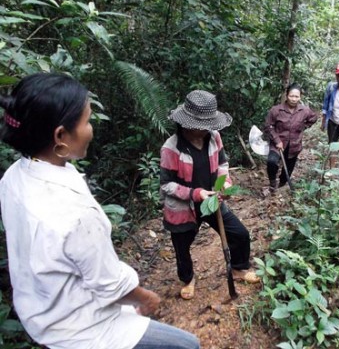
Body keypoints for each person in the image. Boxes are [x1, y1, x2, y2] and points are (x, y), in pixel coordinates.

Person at [0, 73, 199, 349]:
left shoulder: (13, 177)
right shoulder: (75, 213)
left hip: (42, 316)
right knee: (188, 346)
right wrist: (145, 298)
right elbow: (109, 284)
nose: (92, 129)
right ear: (60, 135)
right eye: (87, 121)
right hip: (88, 328)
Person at [160, 90, 260, 301]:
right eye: (202, 125)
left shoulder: (214, 137)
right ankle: (188, 279)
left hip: (213, 201)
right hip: (183, 208)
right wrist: (195, 194)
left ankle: (239, 268)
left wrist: (225, 183)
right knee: (181, 248)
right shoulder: (171, 148)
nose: (207, 129)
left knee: (239, 234)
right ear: (188, 123)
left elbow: (222, 164)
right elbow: (166, 185)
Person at [264, 83, 317, 192]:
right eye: (291, 96)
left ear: (300, 97)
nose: (293, 99)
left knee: (289, 166)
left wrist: (303, 126)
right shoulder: (276, 110)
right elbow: (268, 126)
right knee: (272, 162)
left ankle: (282, 183)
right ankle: (272, 183)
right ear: (287, 95)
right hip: (278, 144)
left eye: (296, 96)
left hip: (294, 144)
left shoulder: (304, 111)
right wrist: (277, 140)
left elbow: (313, 118)